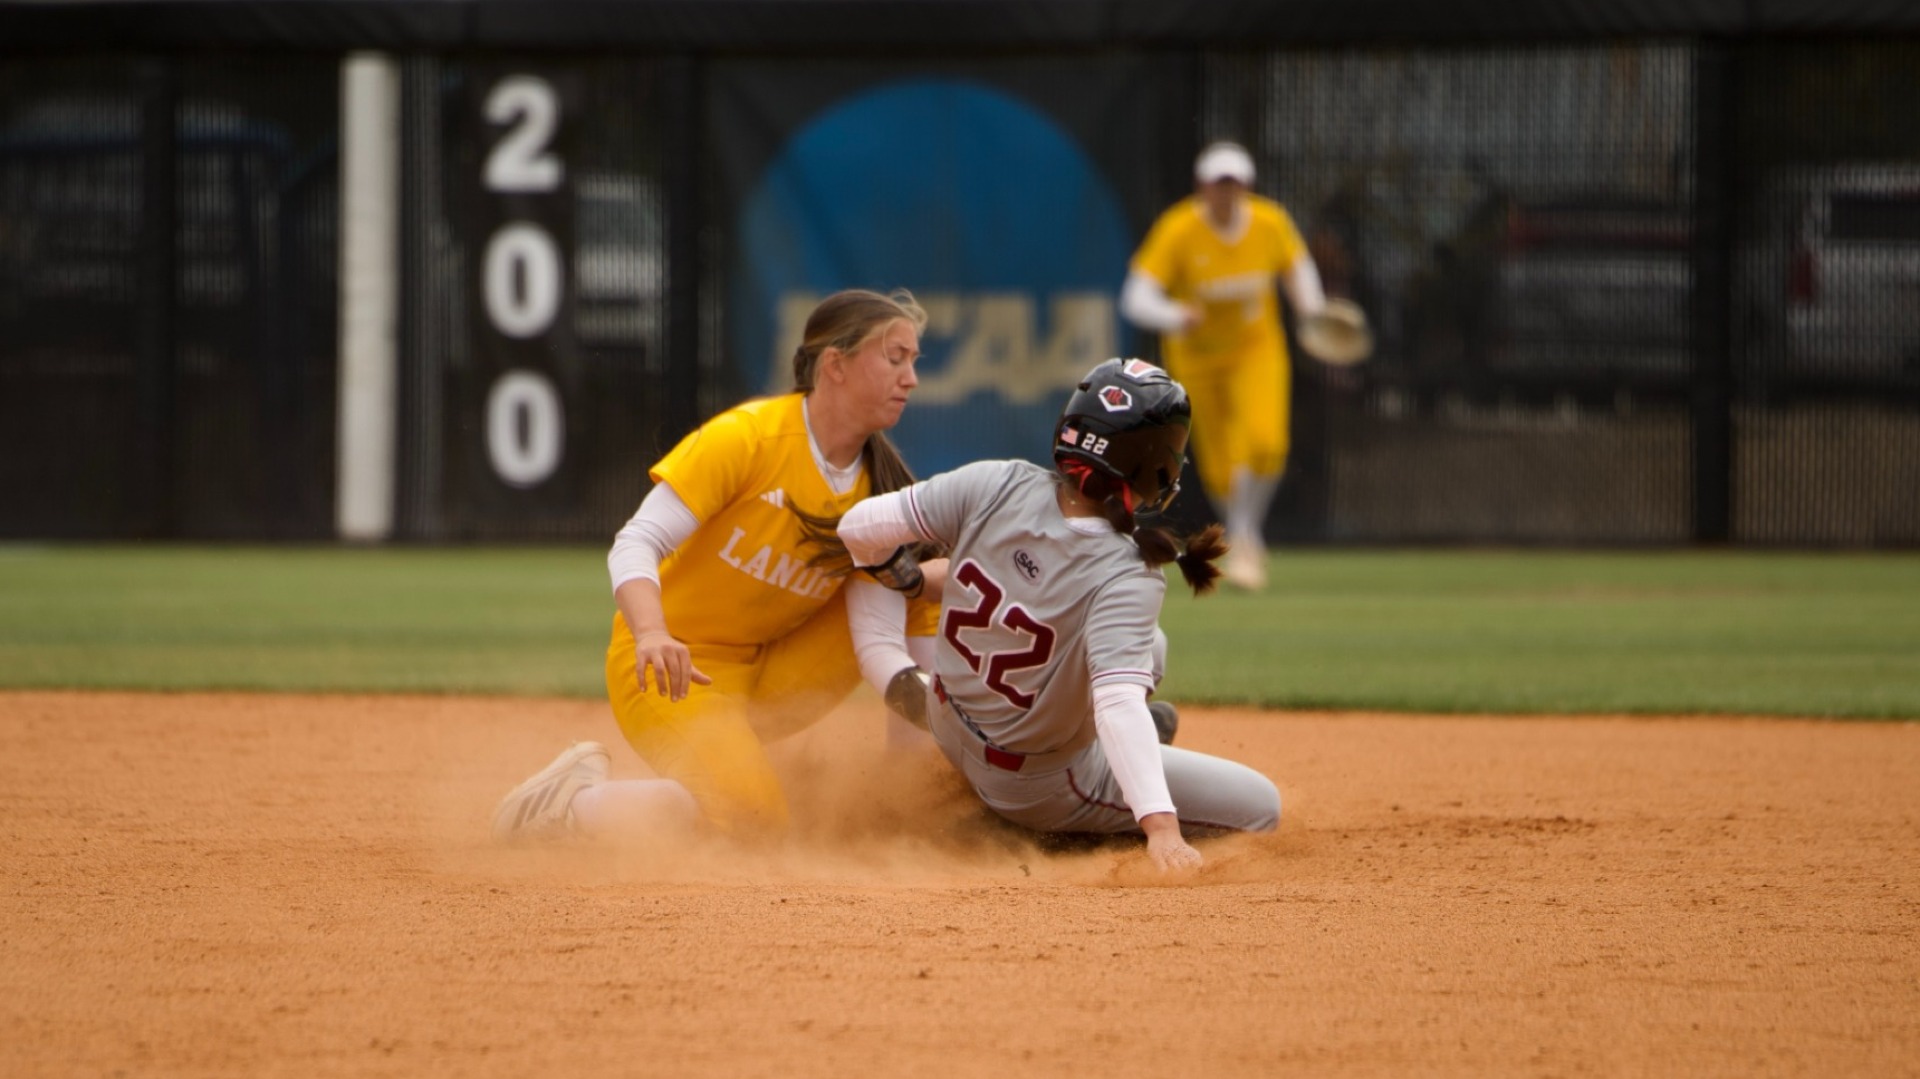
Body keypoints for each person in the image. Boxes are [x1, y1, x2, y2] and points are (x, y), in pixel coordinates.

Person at [491, 288, 942, 844]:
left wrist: (914, 783)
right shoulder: (750, 438)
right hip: (670, 670)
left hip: (767, 678)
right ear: (836, 365)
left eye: (913, 362)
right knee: (751, 818)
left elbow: (906, 616)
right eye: (895, 358)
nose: (911, 378)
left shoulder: (881, 486)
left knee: (911, 585)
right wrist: (651, 632)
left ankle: (886, 785)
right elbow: (635, 541)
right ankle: (568, 804)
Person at [835, 358, 1281, 871]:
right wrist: (1160, 829)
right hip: (1032, 785)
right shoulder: (1128, 571)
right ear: (1153, 464)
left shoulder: (995, 482)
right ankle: (1036, 832)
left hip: (945, 719)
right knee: (1261, 807)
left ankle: (1065, 780)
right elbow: (1116, 704)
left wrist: (907, 579)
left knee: (1148, 646)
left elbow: (857, 528)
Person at [1120, 139, 1329, 592]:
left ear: (1247, 187)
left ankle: (1243, 535)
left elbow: (1298, 272)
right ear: (1203, 187)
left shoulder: (1270, 223)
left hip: (1256, 351)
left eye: (1234, 184)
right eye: (1218, 185)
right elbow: (1136, 298)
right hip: (1197, 360)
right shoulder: (1178, 229)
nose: (1226, 194)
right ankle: (1245, 538)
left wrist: (1313, 313)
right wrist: (1176, 315)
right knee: (1220, 462)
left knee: (1265, 442)